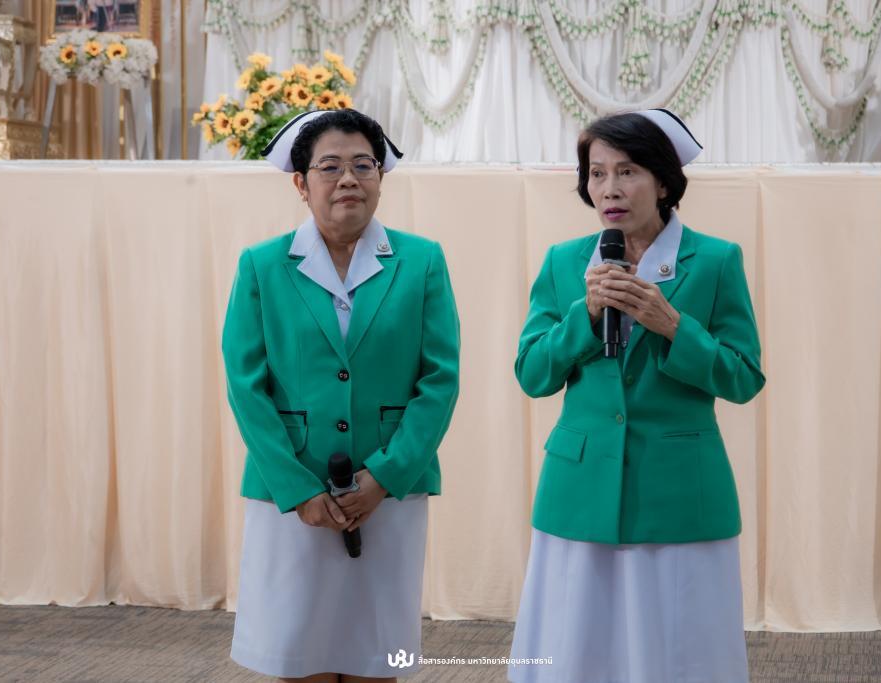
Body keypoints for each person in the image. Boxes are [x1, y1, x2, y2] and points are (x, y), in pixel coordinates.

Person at [508, 109, 765, 683]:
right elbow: (531, 374)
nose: (610, 189)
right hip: (579, 492)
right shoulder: (565, 262)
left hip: (679, 496)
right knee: (577, 657)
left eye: (627, 172)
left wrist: (674, 326)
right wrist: (584, 316)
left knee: (677, 657)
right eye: (597, 174)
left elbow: (744, 377)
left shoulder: (716, 260)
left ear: (664, 182)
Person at [223, 109, 460, 683]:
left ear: (380, 178)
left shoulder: (422, 261)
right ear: (301, 183)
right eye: (330, 167)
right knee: (300, 657)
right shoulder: (261, 265)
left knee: (375, 659)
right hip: (293, 495)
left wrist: (385, 476)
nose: (349, 179)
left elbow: (440, 379)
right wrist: (299, 490)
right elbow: (246, 387)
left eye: (363, 165)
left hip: (389, 492)